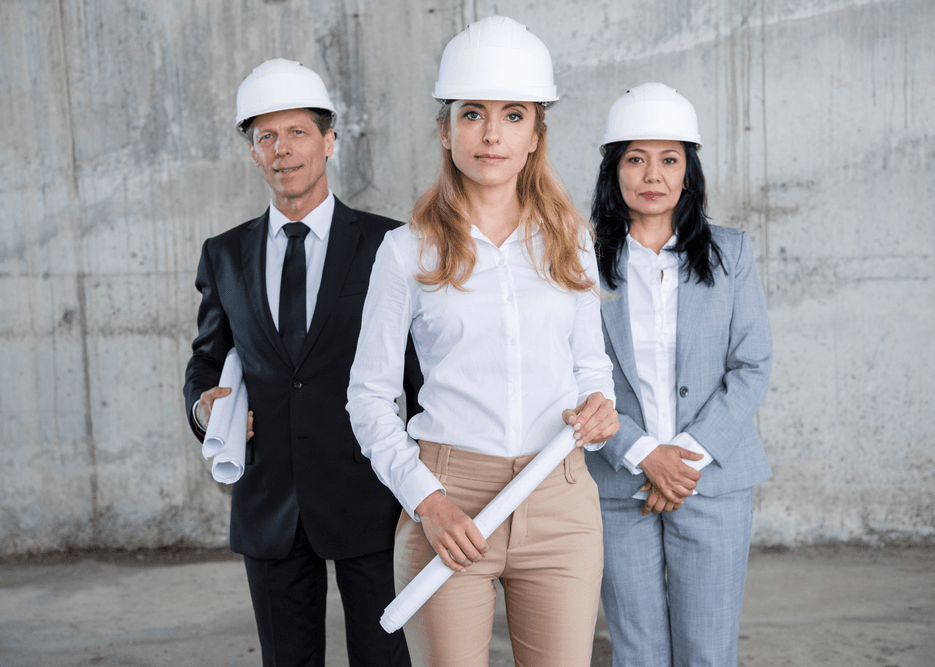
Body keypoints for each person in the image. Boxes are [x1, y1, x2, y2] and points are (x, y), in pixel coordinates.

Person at [346, 16, 618, 667]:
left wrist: (600, 406)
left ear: (535, 135)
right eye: (472, 113)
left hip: (560, 499)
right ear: (446, 131)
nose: (491, 133)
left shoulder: (570, 241)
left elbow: (590, 366)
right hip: (448, 497)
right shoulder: (404, 251)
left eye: (512, 115)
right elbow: (367, 396)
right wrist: (426, 502)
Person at [182, 58, 421, 667]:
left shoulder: (387, 245)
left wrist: (421, 487)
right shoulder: (225, 255)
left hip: (369, 493)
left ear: (329, 142)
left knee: (384, 656)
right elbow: (207, 359)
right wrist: (202, 407)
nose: (282, 149)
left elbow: (420, 372)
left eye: (297, 133)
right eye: (267, 137)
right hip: (270, 499)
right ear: (254, 152)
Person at [584, 82, 773, 667]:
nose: (652, 175)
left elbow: (752, 365)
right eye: (635, 159)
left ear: (689, 171)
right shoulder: (580, 258)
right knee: (636, 652)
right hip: (619, 482)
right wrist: (644, 454)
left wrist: (682, 460)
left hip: (711, 479)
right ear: (614, 171)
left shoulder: (731, 253)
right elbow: (574, 373)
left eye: (669, 160)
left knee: (707, 651)